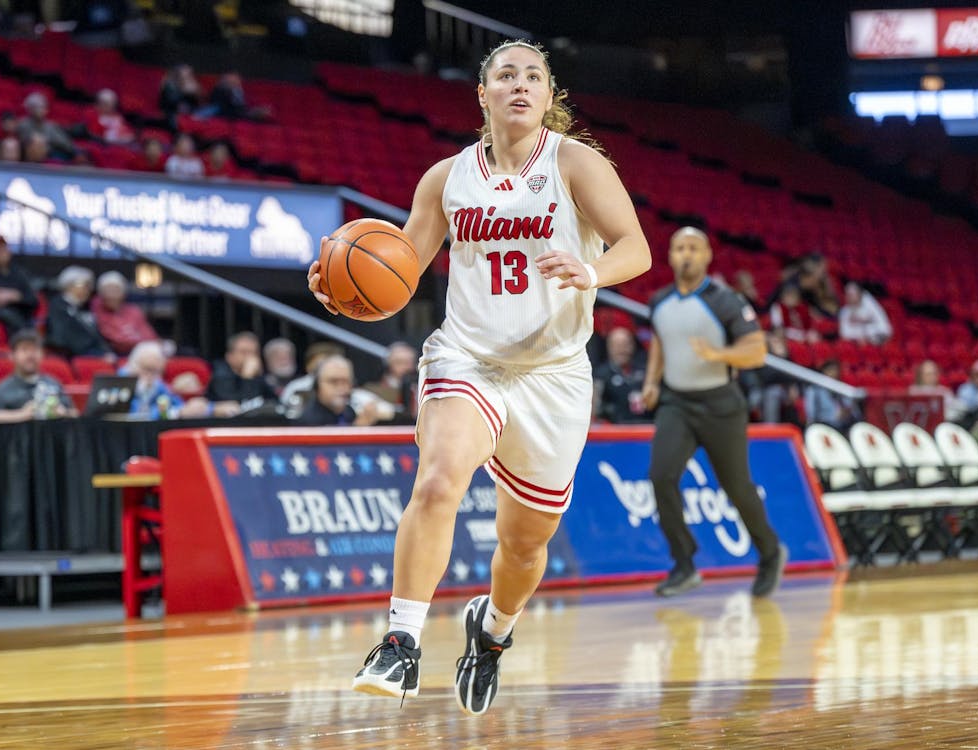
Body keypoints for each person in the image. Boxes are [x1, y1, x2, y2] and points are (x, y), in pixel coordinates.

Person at [306, 40, 650, 715]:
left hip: (552, 375)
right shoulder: (445, 178)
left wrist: (592, 271)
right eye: (505, 75)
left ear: (549, 97)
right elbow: (401, 273)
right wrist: (347, 293)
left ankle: (490, 632)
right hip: (467, 358)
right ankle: (400, 640)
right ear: (484, 94)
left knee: (524, 547)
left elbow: (635, 246)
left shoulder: (577, 164)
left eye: (533, 76)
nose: (520, 85)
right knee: (438, 478)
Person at [643, 226, 786, 599]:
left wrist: (719, 355)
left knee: (737, 488)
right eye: (679, 248)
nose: (686, 254)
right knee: (661, 476)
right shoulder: (658, 301)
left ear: (707, 256)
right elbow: (661, 340)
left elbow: (756, 352)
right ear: (670, 256)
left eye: (694, 248)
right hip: (677, 403)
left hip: (721, 406)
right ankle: (685, 563)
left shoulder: (726, 301)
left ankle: (770, 553)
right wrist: (652, 381)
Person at [0, 328, 76, 421]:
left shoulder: (53, 383)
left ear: (42, 354)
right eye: (24, 350)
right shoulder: (3, 390)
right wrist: (20, 415)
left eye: (35, 350)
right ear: (12, 355)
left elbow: (74, 414)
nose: (30, 355)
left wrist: (63, 412)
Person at [295, 354, 381, 426]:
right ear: (317, 385)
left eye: (346, 381)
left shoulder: (349, 412)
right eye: (333, 381)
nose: (341, 387)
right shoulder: (308, 422)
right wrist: (358, 428)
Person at [45, 265, 112, 357]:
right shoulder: (58, 305)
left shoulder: (86, 307)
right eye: (83, 286)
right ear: (69, 285)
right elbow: (62, 335)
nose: (87, 290)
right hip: (73, 354)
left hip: (94, 351)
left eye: (89, 286)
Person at [90, 271, 159, 355]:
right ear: (101, 293)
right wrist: (140, 343)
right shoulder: (96, 309)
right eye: (108, 290)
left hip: (142, 351)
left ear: (123, 293)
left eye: (116, 290)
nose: (112, 295)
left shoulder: (134, 310)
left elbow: (150, 336)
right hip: (118, 354)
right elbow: (117, 340)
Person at [205, 331, 277, 413]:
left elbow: (274, 402)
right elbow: (239, 406)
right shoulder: (220, 374)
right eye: (244, 352)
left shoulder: (258, 376)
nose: (250, 357)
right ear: (229, 356)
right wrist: (247, 376)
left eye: (254, 353)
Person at [593, 326, 651, 423]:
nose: (622, 350)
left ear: (633, 346)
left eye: (625, 345)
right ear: (609, 348)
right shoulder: (600, 376)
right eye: (617, 346)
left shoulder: (646, 372)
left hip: (646, 427)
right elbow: (594, 410)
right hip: (614, 432)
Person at [0, 233, 39, 336]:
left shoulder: (19, 273)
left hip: (22, 315)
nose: (0, 252)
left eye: (3, 248)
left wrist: (16, 296)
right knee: (7, 314)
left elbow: (33, 300)